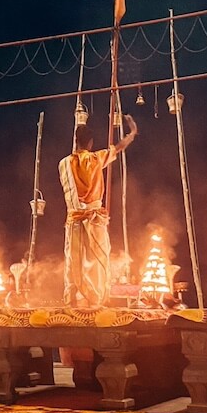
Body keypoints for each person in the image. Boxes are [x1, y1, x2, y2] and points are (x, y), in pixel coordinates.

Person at [59, 116, 138, 307]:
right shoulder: (96, 158)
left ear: (75, 140)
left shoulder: (64, 163)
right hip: (94, 219)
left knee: (73, 259)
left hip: (75, 218)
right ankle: (96, 299)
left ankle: (71, 299)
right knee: (98, 258)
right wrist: (132, 133)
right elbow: (119, 147)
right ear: (91, 142)